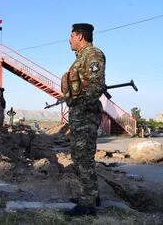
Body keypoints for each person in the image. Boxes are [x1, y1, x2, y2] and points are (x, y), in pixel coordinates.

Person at [61, 23, 106, 216]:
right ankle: (90, 195)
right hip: (80, 113)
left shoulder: (93, 55)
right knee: (80, 156)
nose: (69, 40)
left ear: (80, 36)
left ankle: (87, 205)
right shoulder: (81, 57)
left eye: (71, 36)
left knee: (83, 158)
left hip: (85, 113)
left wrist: (81, 104)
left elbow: (96, 86)